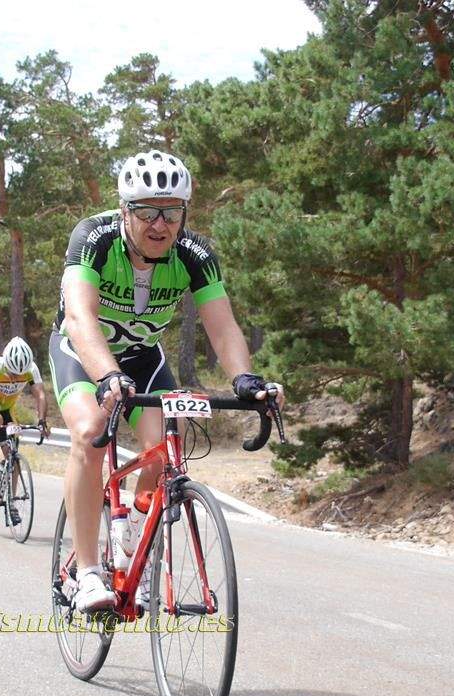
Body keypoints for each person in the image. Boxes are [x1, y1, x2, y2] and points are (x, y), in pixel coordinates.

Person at [50, 149, 284, 612]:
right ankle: (88, 572)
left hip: (142, 358)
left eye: (172, 213)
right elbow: (79, 317)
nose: (160, 224)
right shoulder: (93, 237)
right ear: (125, 211)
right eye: (147, 212)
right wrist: (107, 375)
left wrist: (244, 379)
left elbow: (222, 325)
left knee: (163, 450)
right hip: (82, 352)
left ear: (184, 214)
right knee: (90, 434)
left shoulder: (195, 254)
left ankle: (133, 540)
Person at [0, 337, 50, 524]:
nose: (15, 378)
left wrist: (42, 421)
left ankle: (10, 502)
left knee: (13, 457)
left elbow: (40, 395)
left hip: (7, 409)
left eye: (19, 375)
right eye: (12, 373)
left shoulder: (31, 369)